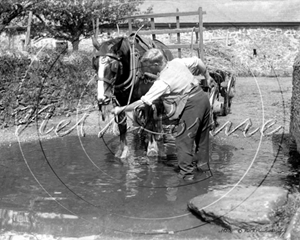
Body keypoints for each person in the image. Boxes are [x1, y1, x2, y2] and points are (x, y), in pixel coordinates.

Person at [111, 48, 214, 180]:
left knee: (183, 140)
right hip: (202, 97)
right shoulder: (177, 62)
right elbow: (198, 61)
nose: (145, 70)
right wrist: (207, 76)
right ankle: (204, 173)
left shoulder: (163, 81)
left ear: (155, 65)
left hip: (192, 105)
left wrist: (121, 109)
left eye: (147, 67)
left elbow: (143, 102)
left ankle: (186, 178)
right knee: (202, 139)